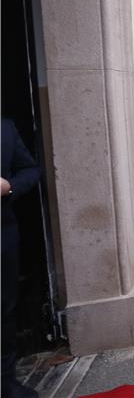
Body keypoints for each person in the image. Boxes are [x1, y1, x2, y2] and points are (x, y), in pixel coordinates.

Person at [1, 119, 41, 398]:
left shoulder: (5, 129)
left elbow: (30, 169)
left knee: (4, 311)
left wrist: (10, 187)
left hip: (3, 237)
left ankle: (6, 383)